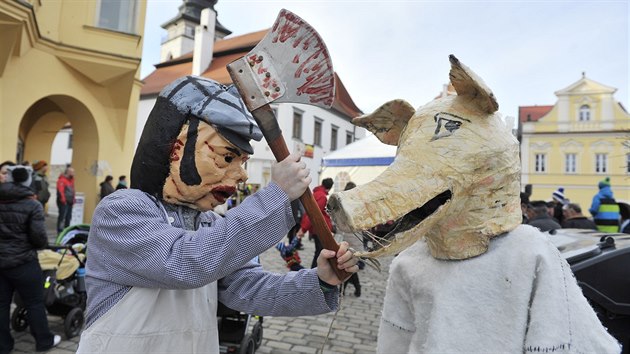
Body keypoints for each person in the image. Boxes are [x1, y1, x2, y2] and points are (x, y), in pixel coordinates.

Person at [76, 76, 358, 353]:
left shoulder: (210, 222)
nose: (242, 175)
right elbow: (185, 261)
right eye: (226, 157)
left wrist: (320, 280)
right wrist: (276, 196)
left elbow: (249, 288)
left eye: (242, 161)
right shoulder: (122, 211)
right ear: (176, 148)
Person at [0, 165, 61, 353]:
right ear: (28, 180)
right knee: (34, 302)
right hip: (24, 263)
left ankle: (3, 345)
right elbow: (39, 239)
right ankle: (44, 341)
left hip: (1, 263)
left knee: (1, 304)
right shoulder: (32, 204)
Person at [297, 177, 334, 269]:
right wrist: (303, 229)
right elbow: (313, 214)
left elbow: (309, 212)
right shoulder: (322, 197)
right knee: (320, 251)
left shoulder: (316, 193)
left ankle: (316, 270)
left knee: (320, 250)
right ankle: (315, 271)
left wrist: (304, 227)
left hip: (316, 228)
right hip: (321, 228)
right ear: (330, 187)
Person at [56, 166, 75, 234]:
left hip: (69, 202)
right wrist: (63, 200)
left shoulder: (71, 180)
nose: (74, 173)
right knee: (62, 217)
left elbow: (72, 190)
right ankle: (60, 232)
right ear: (68, 172)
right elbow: (60, 191)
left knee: (68, 218)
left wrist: (73, 198)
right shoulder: (62, 180)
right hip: (64, 202)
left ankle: (67, 231)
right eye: (72, 172)